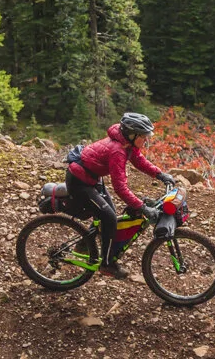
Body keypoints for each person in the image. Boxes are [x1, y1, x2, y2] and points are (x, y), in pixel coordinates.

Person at [66, 112, 175, 279]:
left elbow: (139, 161)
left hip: (91, 177)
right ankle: (107, 265)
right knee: (109, 218)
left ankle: (83, 244)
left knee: (109, 212)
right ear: (132, 135)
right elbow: (120, 188)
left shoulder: (127, 144)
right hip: (80, 181)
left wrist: (160, 174)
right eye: (143, 136)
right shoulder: (118, 151)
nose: (146, 140)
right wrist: (142, 207)